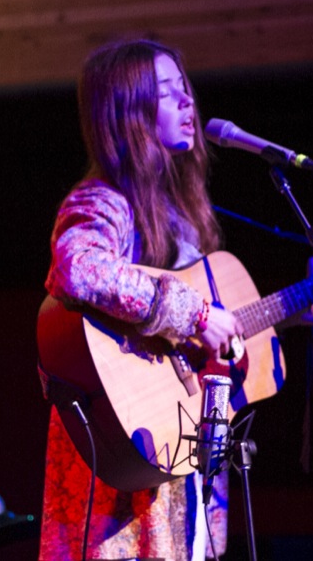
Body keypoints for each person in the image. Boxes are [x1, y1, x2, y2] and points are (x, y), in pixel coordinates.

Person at [39, 38, 243, 561]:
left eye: (185, 90)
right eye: (168, 93)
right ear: (127, 110)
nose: (188, 103)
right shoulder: (101, 201)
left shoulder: (180, 216)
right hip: (119, 465)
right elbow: (79, 268)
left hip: (176, 456)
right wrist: (193, 314)